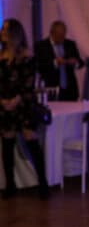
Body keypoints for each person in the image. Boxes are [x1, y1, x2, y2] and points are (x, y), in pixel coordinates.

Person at [0, 18, 50, 199]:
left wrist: (16, 99)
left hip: (23, 106)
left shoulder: (27, 56)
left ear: (16, 33)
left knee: (32, 143)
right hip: (5, 107)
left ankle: (43, 183)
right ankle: (10, 185)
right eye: (3, 30)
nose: (3, 33)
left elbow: (28, 83)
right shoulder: (1, 57)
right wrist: (3, 101)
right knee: (7, 145)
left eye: (7, 30)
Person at [35, 20, 84, 101]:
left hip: (70, 90)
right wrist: (55, 62)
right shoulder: (41, 46)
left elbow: (81, 63)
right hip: (51, 90)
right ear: (52, 33)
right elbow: (39, 66)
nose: (62, 38)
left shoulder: (70, 44)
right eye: (60, 35)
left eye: (64, 35)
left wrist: (75, 63)